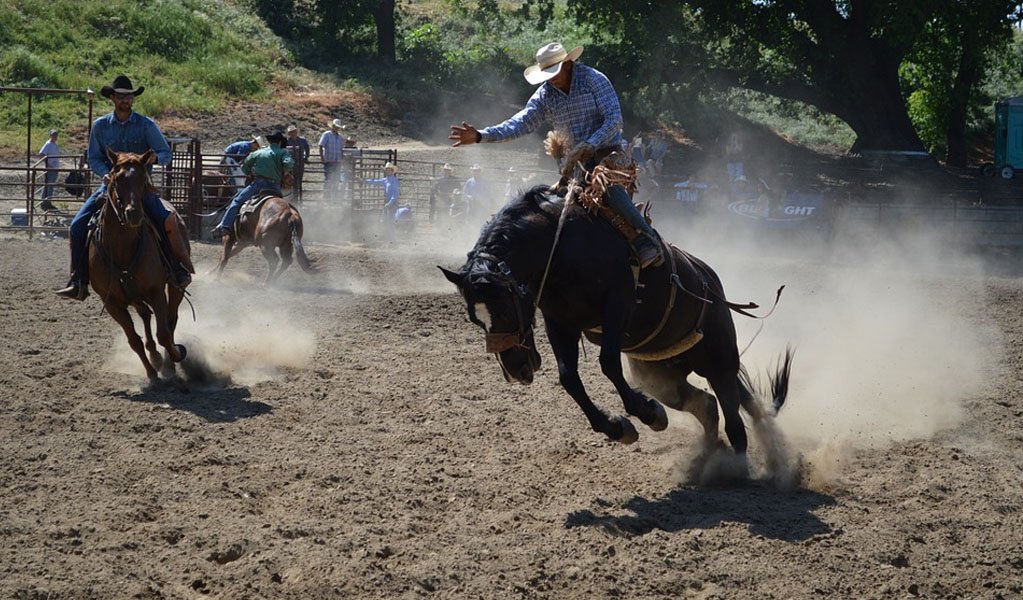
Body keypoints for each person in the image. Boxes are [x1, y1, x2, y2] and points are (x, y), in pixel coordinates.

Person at [449, 42, 663, 267]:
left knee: (606, 187)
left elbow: (614, 120)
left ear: (569, 64)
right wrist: (481, 135)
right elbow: (521, 123)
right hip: (574, 166)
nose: (550, 79)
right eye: (547, 74)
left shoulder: (593, 80)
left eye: (554, 72)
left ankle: (646, 238)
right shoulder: (545, 95)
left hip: (608, 156)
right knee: (543, 202)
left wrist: (590, 143)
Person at [56, 75, 192, 301]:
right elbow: (94, 157)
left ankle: (176, 269)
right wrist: (106, 174)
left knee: (166, 219)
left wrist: (153, 159)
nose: (125, 100)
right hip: (112, 186)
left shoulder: (146, 124)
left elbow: (165, 153)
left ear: (133, 98)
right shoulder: (100, 126)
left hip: (141, 187)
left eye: (128, 96)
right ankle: (79, 280)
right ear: (112, 98)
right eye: (120, 96)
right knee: (77, 225)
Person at [211, 132, 294, 237]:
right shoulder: (283, 153)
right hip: (274, 186)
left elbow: (245, 166)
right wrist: (285, 171)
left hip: (258, 184)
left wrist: (250, 172)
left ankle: (225, 227)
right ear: (280, 142)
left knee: (237, 201)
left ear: (270, 141)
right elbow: (289, 163)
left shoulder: (258, 152)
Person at [318, 118, 345, 200]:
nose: (337, 128)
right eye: (336, 127)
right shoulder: (327, 134)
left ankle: (334, 197)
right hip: (329, 161)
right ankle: (327, 197)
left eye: (338, 127)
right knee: (328, 179)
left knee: (336, 180)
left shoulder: (340, 137)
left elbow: (341, 149)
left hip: (337, 161)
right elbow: (321, 145)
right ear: (332, 126)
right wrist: (322, 158)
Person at [284, 125, 310, 199]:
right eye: (291, 132)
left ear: (296, 132)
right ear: (289, 133)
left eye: (294, 131)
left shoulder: (302, 140)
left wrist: (306, 157)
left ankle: (298, 197)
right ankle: (292, 197)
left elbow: (307, 148)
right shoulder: (286, 141)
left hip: (300, 163)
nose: (293, 133)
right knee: (290, 180)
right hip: (290, 164)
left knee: (299, 180)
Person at [38, 129, 60, 211]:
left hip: (54, 168)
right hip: (51, 168)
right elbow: (41, 154)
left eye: (56, 135)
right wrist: (48, 164)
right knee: (48, 185)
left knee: (50, 185)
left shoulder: (54, 144)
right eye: (53, 135)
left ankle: (47, 201)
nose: (55, 137)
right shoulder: (48, 144)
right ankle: (45, 202)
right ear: (50, 136)